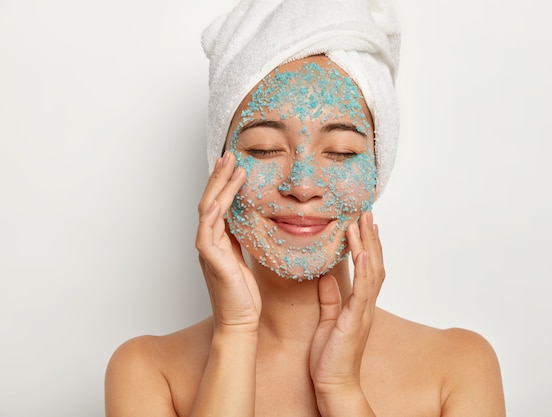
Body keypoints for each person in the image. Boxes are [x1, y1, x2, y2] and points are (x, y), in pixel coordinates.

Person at [105, 0, 505, 416]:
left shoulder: (456, 367)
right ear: (219, 168)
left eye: (340, 151)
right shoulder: (149, 372)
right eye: (263, 149)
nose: (302, 185)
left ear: (376, 172)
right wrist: (235, 334)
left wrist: (341, 390)